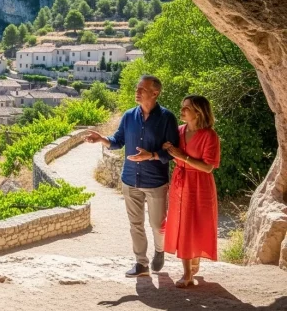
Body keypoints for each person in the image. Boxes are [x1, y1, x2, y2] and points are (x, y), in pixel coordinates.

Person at [85, 75, 179, 277]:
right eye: (137, 88)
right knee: (135, 224)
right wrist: (102, 139)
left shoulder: (167, 118)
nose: (137, 92)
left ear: (155, 93)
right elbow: (118, 141)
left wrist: (152, 155)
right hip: (130, 179)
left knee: (157, 224)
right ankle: (141, 263)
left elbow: (172, 151)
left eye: (142, 89)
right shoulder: (129, 116)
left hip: (155, 181)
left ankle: (160, 251)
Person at [161, 95, 221, 288]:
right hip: (180, 182)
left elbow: (208, 167)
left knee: (197, 224)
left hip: (200, 185)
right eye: (182, 107)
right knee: (182, 225)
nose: (182, 111)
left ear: (198, 111)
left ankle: (193, 264)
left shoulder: (210, 136)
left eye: (186, 108)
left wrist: (183, 156)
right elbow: (171, 153)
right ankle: (187, 274)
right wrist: (167, 148)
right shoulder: (179, 131)